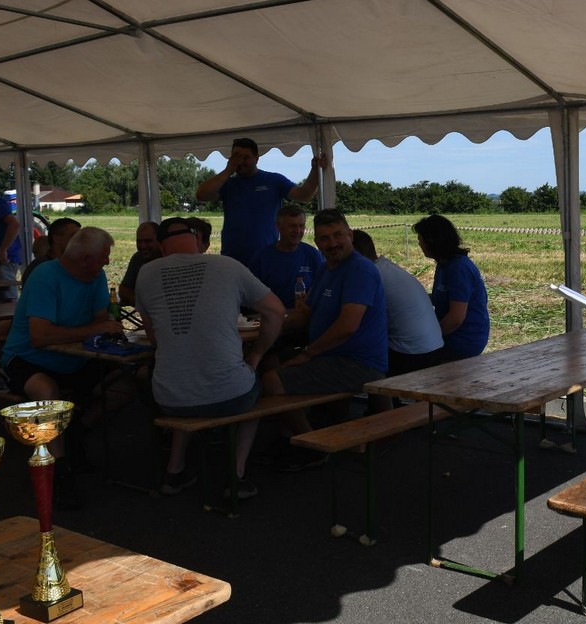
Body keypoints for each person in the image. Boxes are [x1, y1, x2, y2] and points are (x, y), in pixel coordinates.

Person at [134, 217, 288, 499]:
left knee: (187, 380)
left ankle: (175, 469)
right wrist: (255, 355)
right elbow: (276, 312)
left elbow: (154, 338)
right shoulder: (227, 266)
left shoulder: (145, 273)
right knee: (256, 390)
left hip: (168, 399)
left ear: (161, 247)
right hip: (230, 395)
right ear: (197, 240)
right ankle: (236, 475)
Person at [0, 227, 134, 508]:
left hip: (74, 359)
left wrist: (104, 329)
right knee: (48, 393)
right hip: (26, 358)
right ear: (85, 258)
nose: (108, 262)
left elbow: (100, 321)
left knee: (127, 383)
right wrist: (93, 329)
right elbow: (40, 336)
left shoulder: (95, 276)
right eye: (105, 257)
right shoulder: (45, 277)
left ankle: (78, 431)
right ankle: (59, 473)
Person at [269, 209, 387, 468]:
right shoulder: (326, 269)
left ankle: (311, 444)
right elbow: (306, 313)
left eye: (337, 235)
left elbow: (347, 326)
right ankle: (289, 435)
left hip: (357, 364)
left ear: (350, 235)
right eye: (324, 238)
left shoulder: (360, 270)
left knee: (271, 381)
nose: (332, 243)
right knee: (267, 362)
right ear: (316, 242)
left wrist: (307, 353)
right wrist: (270, 319)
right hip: (331, 355)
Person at [194, 137, 326, 265]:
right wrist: (228, 170)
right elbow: (201, 195)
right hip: (233, 257)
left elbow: (303, 195)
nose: (240, 161)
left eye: (245, 157)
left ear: (256, 158)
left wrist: (315, 170)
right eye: (236, 157)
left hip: (267, 257)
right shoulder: (228, 184)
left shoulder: (273, 180)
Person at [352, 229, 443, 376]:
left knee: (366, 363)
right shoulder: (386, 267)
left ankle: (383, 395)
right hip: (434, 347)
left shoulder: (370, 275)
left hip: (413, 354)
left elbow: (355, 322)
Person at [413, 214, 489, 362]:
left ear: (432, 241)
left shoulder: (459, 268)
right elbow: (440, 298)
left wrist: (430, 338)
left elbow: (456, 318)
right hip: (452, 337)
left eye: (420, 240)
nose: (419, 244)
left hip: (463, 341)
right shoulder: (444, 264)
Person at [249, 205, 323, 308]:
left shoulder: (313, 254)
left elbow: (323, 286)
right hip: (273, 318)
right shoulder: (262, 258)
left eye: (301, 226)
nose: (297, 231)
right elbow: (252, 295)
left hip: (305, 317)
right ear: (278, 226)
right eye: (292, 226)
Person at [21, 217, 81, 287]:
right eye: (73, 236)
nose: (79, 240)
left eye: (80, 236)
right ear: (56, 238)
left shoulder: (74, 265)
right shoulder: (41, 269)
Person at [118, 221, 160, 306]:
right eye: (139, 241)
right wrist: (133, 297)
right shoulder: (138, 258)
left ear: (159, 241)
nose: (143, 246)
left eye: (148, 241)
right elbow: (123, 289)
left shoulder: (169, 258)